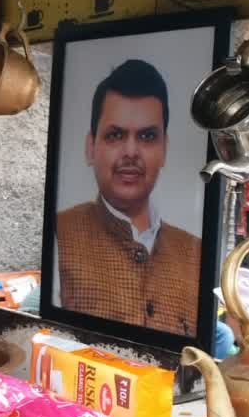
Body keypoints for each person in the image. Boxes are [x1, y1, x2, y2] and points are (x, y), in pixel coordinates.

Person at [53, 59, 201, 336]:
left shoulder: (194, 252)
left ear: (164, 149)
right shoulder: (61, 233)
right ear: (90, 147)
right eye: (115, 135)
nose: (131, 152)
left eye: (146, 136)